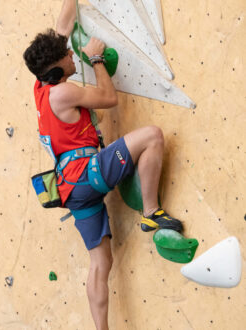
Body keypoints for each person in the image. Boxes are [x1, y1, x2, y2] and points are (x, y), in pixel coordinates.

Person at [23, 1, 183, 329]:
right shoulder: (62, 93)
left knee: (101, 262)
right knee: (152, 136)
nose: (72, 55)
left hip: (72, 190)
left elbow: (63, 25)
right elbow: (109, 99)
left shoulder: (41, 87)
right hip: (87, 174)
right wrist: (95, 58)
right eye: (67, 56)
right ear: (56, 72)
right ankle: (152, 214)